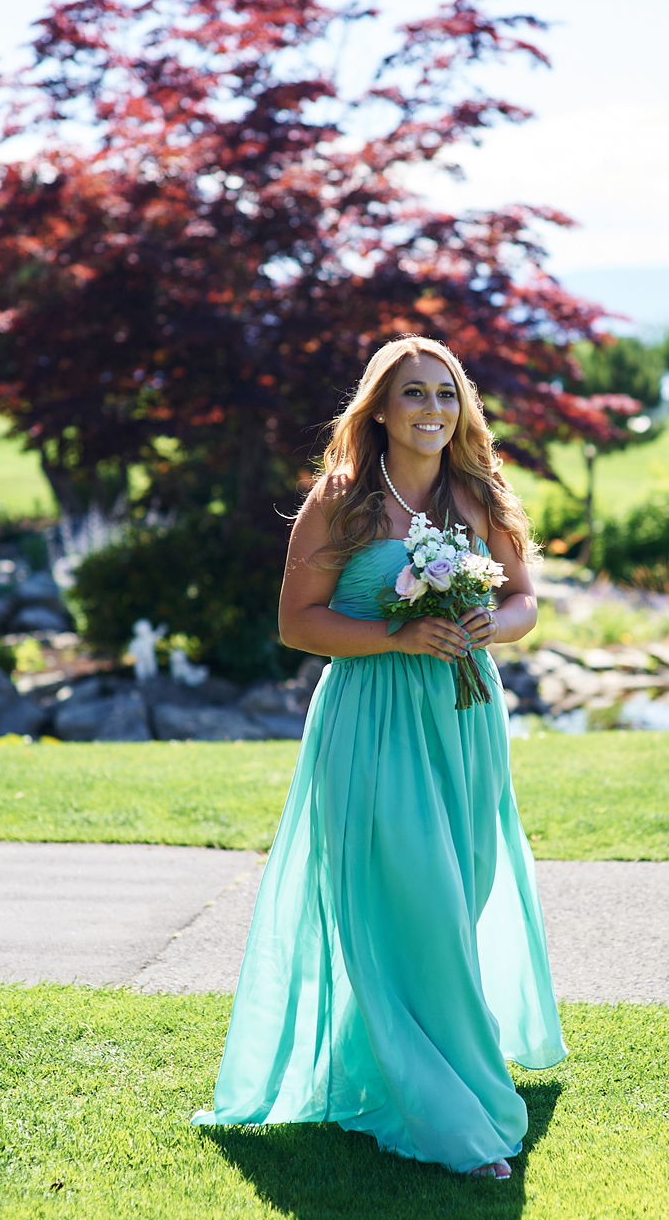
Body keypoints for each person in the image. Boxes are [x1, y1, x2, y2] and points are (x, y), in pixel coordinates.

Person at [195, 334, 565, 1176]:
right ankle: (452, 1116)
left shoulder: (481, 494)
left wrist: (488, 625)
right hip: (369, 722)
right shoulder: (341, 499)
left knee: (457, 894)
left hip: (465, 722)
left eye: (446, 393)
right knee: (418, 903)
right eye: (414, 394)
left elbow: (523, 602)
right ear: (380, 409)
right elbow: (298, 624)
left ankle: (382, 1065)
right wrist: (395, 634)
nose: (433, 409)